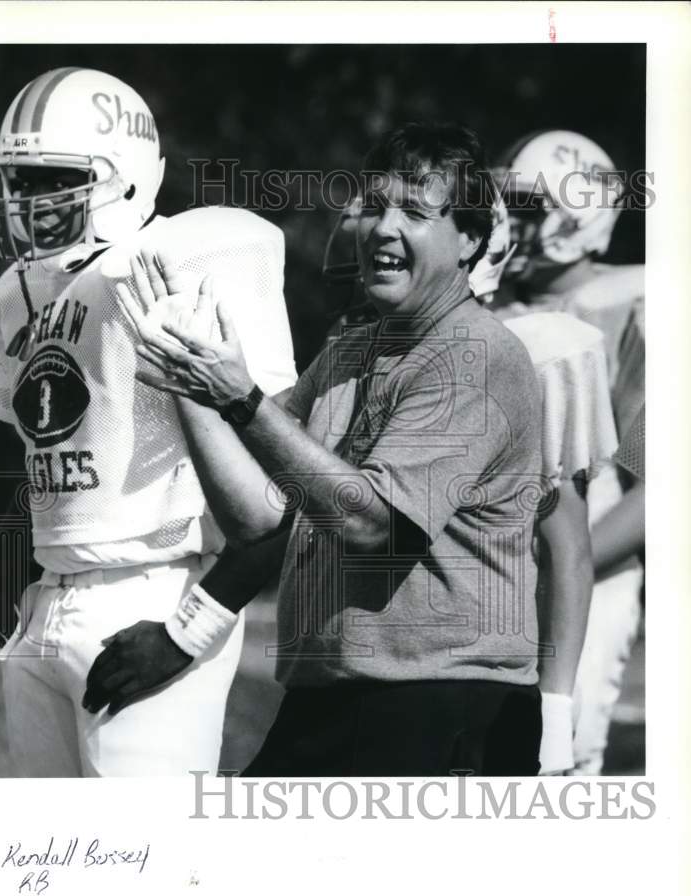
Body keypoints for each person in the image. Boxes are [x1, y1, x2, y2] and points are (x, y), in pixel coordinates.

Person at [105, 122, 546, 777]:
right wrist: (188, 383)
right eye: (372, 205)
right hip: (336, 696)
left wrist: (238, 398)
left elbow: (373, 526)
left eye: (415, 212)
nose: (380, 227)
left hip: (443, 704)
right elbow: (258, 515)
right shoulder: (351, 350)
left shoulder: (474, 355)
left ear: (470, 241)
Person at [0, 66, 297, 777]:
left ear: (122, 178)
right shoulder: (13, 295)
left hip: (158, 584)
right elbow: (20, 453)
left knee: (147, 861)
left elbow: (278, 486)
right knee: (48, 862)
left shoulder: (184, 256)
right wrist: (9, 587)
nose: (27, 200)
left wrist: (193, 628)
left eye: (51, 177)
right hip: (48, 597)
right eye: (17, 180)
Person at [497, 130, 644, 774]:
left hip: (584, 576)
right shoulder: (485, 296)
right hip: (481, 574)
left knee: (557, 765)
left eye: (529, 209)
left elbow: (657, 486)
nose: (508, 224)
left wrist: (549, 561)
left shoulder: (630, 304)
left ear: (578, 219)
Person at [470, 197, 619, 774]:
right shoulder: (357, 345)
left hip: (553, 581)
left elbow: (657, 476)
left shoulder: (551, 344)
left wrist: (554, 712)